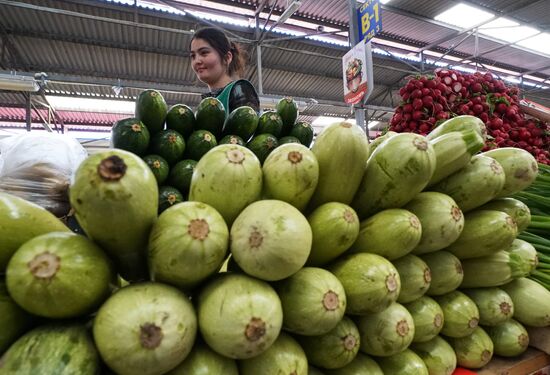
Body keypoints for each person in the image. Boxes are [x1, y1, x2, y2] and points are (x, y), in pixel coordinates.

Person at [190, 27, 260, 114]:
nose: (197, 61)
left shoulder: (240, 90)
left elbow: (247, 124)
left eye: (204, 53)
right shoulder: (205, 104)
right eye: (193, 56)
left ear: (227, 58)